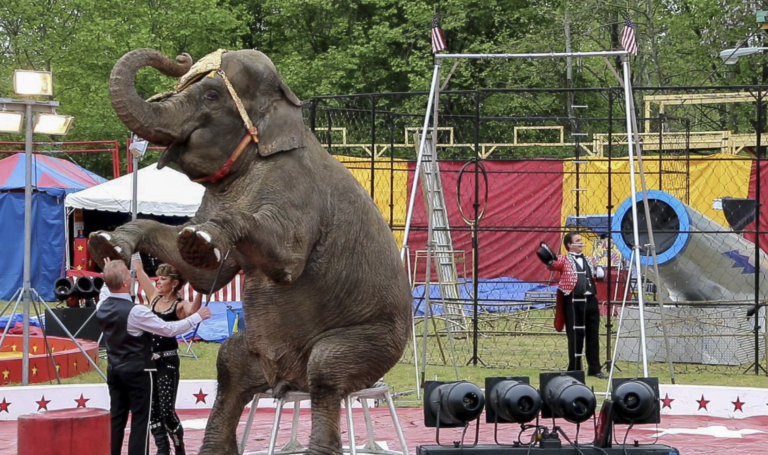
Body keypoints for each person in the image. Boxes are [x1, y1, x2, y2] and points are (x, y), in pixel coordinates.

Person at [95, 259, 211, 455]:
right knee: (143, 418)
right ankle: (158, 450)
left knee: (121, 418)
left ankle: (172, 446)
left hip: (119, 369)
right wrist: (198, 317)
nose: (158, 282)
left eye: (163, 278)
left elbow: (109, 289)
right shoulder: (136, 311)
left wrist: (109, 268)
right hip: (138, 370)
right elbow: (169, 329)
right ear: (125, 283)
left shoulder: (102, 306)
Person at [132, 254, 203, 455]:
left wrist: (199, 292)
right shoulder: (154, 297)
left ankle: (178, 445)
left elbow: (193, 313)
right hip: (149, 362)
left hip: (168, 362)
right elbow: (139, 271)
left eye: (163, 279)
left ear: (174, 283)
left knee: (166, 410)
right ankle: (162, 450)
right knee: (152, 410)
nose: (158, 281)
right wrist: (135, 249)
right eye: (158, 278)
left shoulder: (179, 305)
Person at [546, 232, 606, 379]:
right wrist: (547, 257)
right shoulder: (564, 259)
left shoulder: (588, 259)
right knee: (575, 334)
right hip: (572, 300)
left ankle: (594, 368)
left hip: (590, 298)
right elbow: (553, 265)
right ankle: (574, 367)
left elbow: (595, 276)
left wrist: (600, 273)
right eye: (578, 240)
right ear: (569, 245)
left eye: (581, 240)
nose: (581, 242)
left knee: (593, 334)